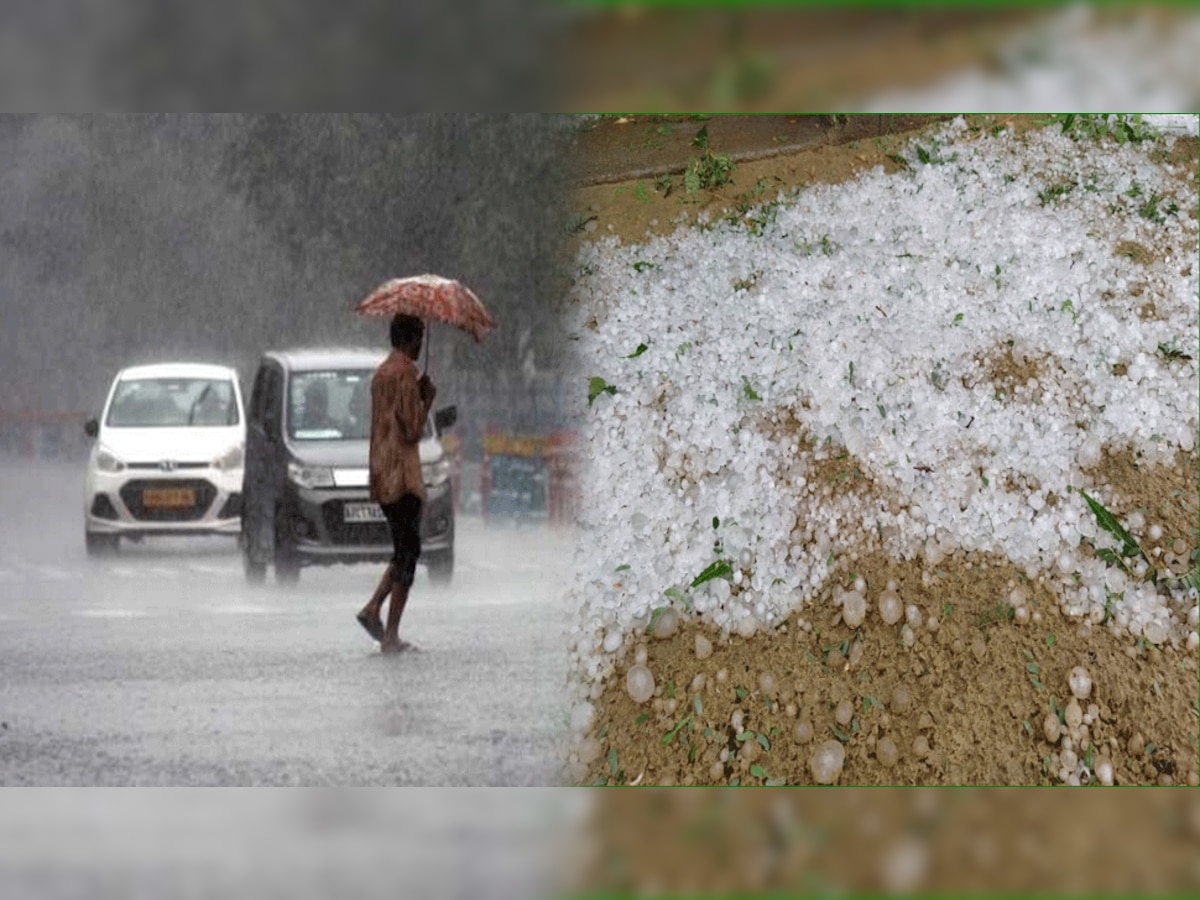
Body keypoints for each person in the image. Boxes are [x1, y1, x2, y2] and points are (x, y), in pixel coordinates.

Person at [356, 313, 436, 653]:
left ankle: (375, 610)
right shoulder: (405, 373)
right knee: (408, 555)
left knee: (404, 549)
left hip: (381, 472)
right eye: (419, 337)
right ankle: (388, 633)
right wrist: (426, 398)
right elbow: (412, 429)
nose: (421, 344)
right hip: (403, 476)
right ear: (410, 338)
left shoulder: (380, 374)